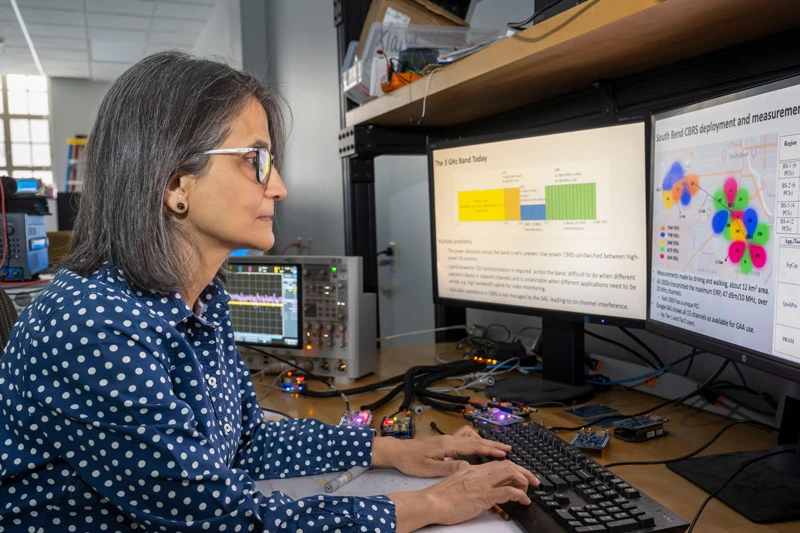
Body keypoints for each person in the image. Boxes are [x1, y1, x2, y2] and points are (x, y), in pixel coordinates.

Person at [0, 52, 537, 532]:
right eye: (254, 159)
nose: (278, 185)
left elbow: (249, 443)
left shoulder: (200, 301)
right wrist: (431, 506)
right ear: (173, 184)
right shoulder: (93, 327)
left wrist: (394, 450)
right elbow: (225, 521)